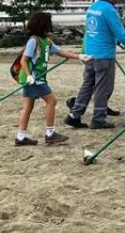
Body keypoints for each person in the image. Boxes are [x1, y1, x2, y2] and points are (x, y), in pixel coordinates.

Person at [65, 0, 125, 130]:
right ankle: (98, 118)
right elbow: (121, 35)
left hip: (90, 53)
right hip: (104, 55)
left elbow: (95, 30)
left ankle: (74, 115)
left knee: (87, 85)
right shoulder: (110, 11)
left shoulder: (93, 7)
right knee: (102, 88)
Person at [14, 11, 82, 147]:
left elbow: (60, 52)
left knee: (28, 106)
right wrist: (28, 76)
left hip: (34, 79)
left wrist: (80, 57)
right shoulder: (34, 41)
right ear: (43, 25)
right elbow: (24, 60)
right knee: (52, 101)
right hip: (34, 79)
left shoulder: (46, 41)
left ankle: (20, 137)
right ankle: (50, 134)